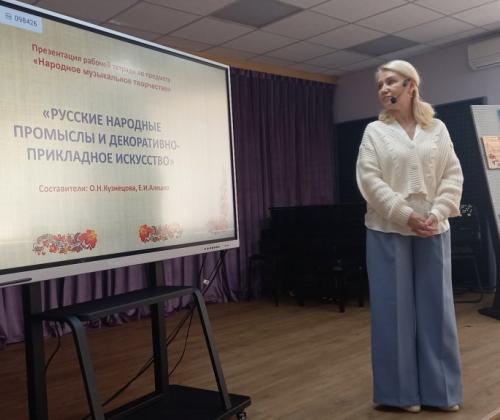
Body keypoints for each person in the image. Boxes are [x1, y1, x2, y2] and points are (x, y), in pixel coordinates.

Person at [356, 60, 464, 413]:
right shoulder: (374, 132)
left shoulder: (438, 129)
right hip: (387, 230)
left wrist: (437, 212)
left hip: (433, 228)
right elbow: (369, 180)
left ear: (411, 85)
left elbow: (452, 175)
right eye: (380, 85)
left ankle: (442, 392)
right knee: (393, 312)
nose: (384, 89)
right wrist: (405, 215)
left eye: (391, 82)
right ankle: (399, 395)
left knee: (438, 311)